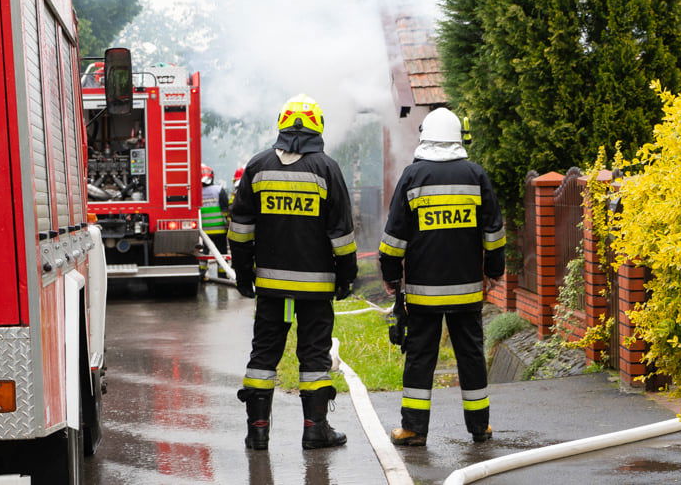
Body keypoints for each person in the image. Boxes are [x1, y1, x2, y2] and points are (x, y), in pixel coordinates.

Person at [229, 94, 357, 451]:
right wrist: (346, 276)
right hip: (315, 289)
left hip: (271, 287)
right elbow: (342, 234)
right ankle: (315, 430)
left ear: (281, 124)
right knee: (314, 355)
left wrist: (243, 273)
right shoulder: (327, 169)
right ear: (318, 126)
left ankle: (258, 433)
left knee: (264, 355)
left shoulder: (257, 167)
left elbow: (240, 228)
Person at [379, 107, 505, 446]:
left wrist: (391, 276)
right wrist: (494, 272)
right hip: (467, 293)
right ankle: (480, 428)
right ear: (457, 137)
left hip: (423, 294)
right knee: (471, 356)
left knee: (420, 358)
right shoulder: (476, 175)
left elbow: (394, 238)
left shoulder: (412, 176)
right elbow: (493, 232)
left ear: (425, 137)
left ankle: (414, 429)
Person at [200, 163, 230, 277]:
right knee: (221, 254)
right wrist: (228, 226)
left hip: (204, 233)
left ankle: (201, 274)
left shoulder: (196, 192)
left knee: (203, 255)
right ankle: (223, 275)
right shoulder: (219, 190)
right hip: (220, 231)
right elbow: (225, 211)